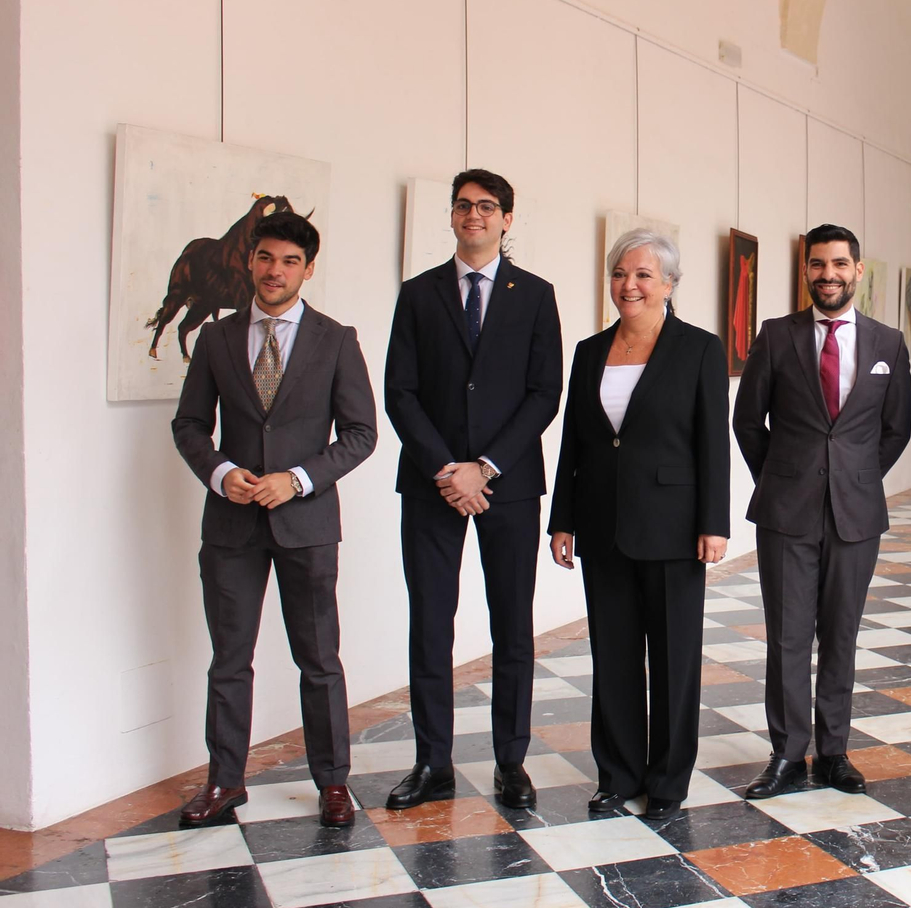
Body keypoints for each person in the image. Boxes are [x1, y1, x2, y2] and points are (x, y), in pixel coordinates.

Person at [171, 211, 377, 828]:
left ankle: (333, 783)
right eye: (266, 258)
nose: (275, 270)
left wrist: (300, 479)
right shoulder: (216, 339)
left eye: (289, 261)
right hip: (230, 526)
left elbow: (362, 433)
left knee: (319, 660)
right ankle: (224, 781)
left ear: (307, 270)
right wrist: (219, 471)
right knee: (228, 660)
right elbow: (188, 425)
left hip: (306, 526)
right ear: (250, 262)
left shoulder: (336, 339)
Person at [384, 169, 563, 810]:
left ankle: (510, 762)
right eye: (463, 206)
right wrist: (446, 469)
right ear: (452, 215)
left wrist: (483, 466)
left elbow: (546, 393)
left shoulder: (536, 295)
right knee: (430, 624)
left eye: (487, 207)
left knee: (511, 626)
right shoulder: (418, 294)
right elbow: (399, 391)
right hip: (431, 484)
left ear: (507, 218)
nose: (474, 215)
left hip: (507, 485)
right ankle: (432, 763)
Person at [548, 230, 730, 821]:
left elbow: (713, 444)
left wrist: (714, 523)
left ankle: (669, 780)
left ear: (669, 284)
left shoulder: (700, 349)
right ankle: (617, 774)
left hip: (676, 529)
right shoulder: (589, 350)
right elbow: (574, 440)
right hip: (603, 527)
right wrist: (562, 518)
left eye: (643, 275)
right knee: (614, 656)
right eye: (621, 274)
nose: (629, 285)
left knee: (675, 660)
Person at [732, 223, 911, 798]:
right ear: (805, 270)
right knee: (787, 635)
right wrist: (785, 479)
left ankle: (833, 751)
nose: (828, 275)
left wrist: (852, 481)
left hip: (856, 512)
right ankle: (787, 753)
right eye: (817, 265)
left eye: (839, 264)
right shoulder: (776, 335)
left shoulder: (887, 343)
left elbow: (896, 429)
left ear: (858, 270)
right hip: (786, 510)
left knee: (841, 633)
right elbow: (747, 421)